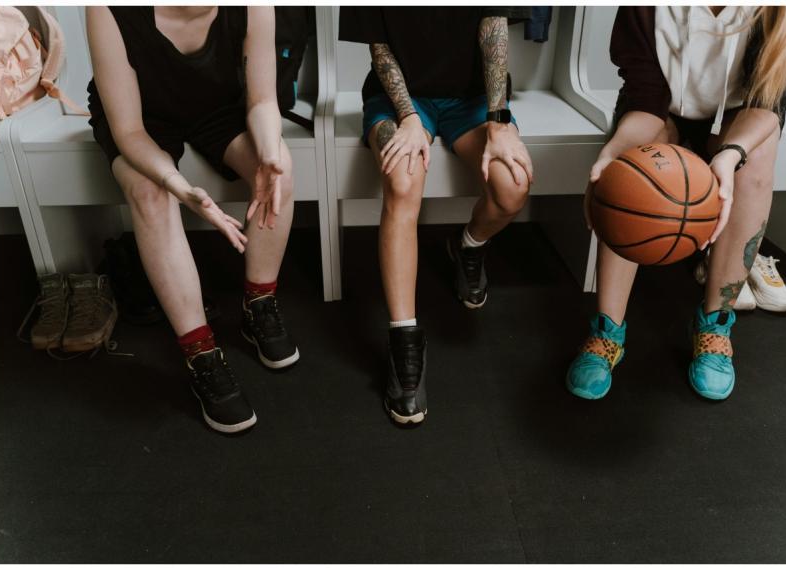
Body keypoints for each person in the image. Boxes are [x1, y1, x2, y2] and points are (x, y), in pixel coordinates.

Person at [567, 6, 786, 401]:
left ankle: (715, 324)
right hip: (662, 106)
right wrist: (614, 155)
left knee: (753, 165)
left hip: (744, 111)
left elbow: (769, 101)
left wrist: (728, 156)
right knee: (629, 172)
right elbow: (643, 93)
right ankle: (608, 329)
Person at [86, 6, 300, 434]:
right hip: (140, 118)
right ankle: (200, 352)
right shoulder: (106, 9)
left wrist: (271, 154)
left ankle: (259, 303)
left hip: (217, 104)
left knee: (278, 168)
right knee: (149, 193)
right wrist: (181, 188)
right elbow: (128, 132)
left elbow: (261, 100)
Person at [339, 7, 533, 425]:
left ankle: (468, 245)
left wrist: (499, 121)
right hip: (400, 99)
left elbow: (494, 25)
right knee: (403, 180)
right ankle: (404, 340)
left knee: (512, 187)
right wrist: (408, 117)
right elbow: (380, 46)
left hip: (475, 99)